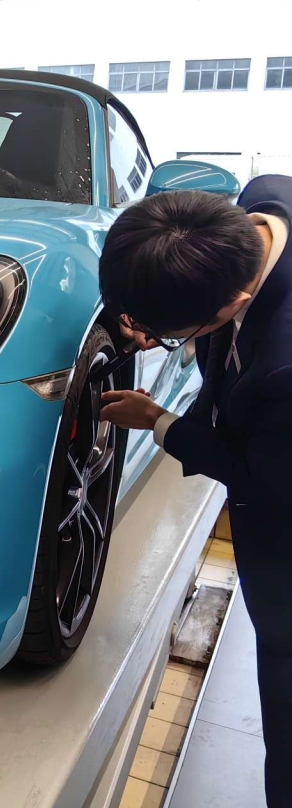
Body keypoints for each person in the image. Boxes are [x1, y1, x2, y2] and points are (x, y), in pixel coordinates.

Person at [98, 175, 292, 806]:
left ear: (233, 303)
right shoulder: (265, 202)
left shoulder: (285, 365)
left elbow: (258, 475)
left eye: (174, 335)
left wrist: (159, 421)